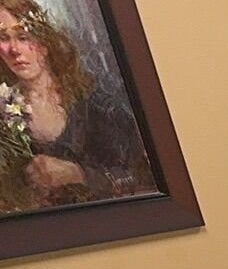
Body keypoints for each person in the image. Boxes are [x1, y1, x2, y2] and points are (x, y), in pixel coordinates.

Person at [0, 0, 153, 212]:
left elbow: (143, 177)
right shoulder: (3, 109)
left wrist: (78, 174)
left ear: (45, 44)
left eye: (23, 37)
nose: (14, 49)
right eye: (3, 38)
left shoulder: (95, 104)